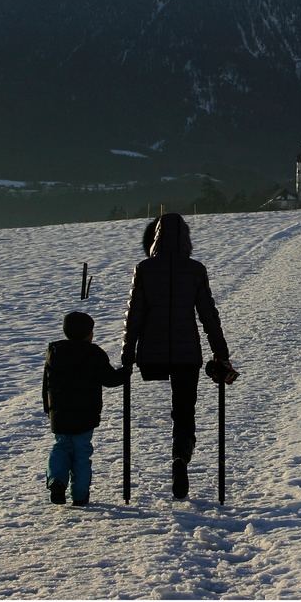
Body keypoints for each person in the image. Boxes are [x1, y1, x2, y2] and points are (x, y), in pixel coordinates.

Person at [121, 213, 236, 500]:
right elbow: (208, 316)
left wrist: (128, 354)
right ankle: (180, 459)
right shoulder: (195, 270)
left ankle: (173, 462)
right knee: (184, 412)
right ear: (186, 239)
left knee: (171, 408)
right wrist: (221, 354)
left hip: (152, 354)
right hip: (187, 354)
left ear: (156, 239)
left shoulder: (144, 269)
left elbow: (135, 315)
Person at [42, 311, 130, 506]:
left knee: (61, 447)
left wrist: (48, 409)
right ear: (88, 333)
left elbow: (45, 384)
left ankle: (56, 480)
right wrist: (125, 372)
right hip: (84, 414)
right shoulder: (93, 353)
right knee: (81, 453)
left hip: (60, 414)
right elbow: (110, 379)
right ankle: (80, 496)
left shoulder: (54, 352)